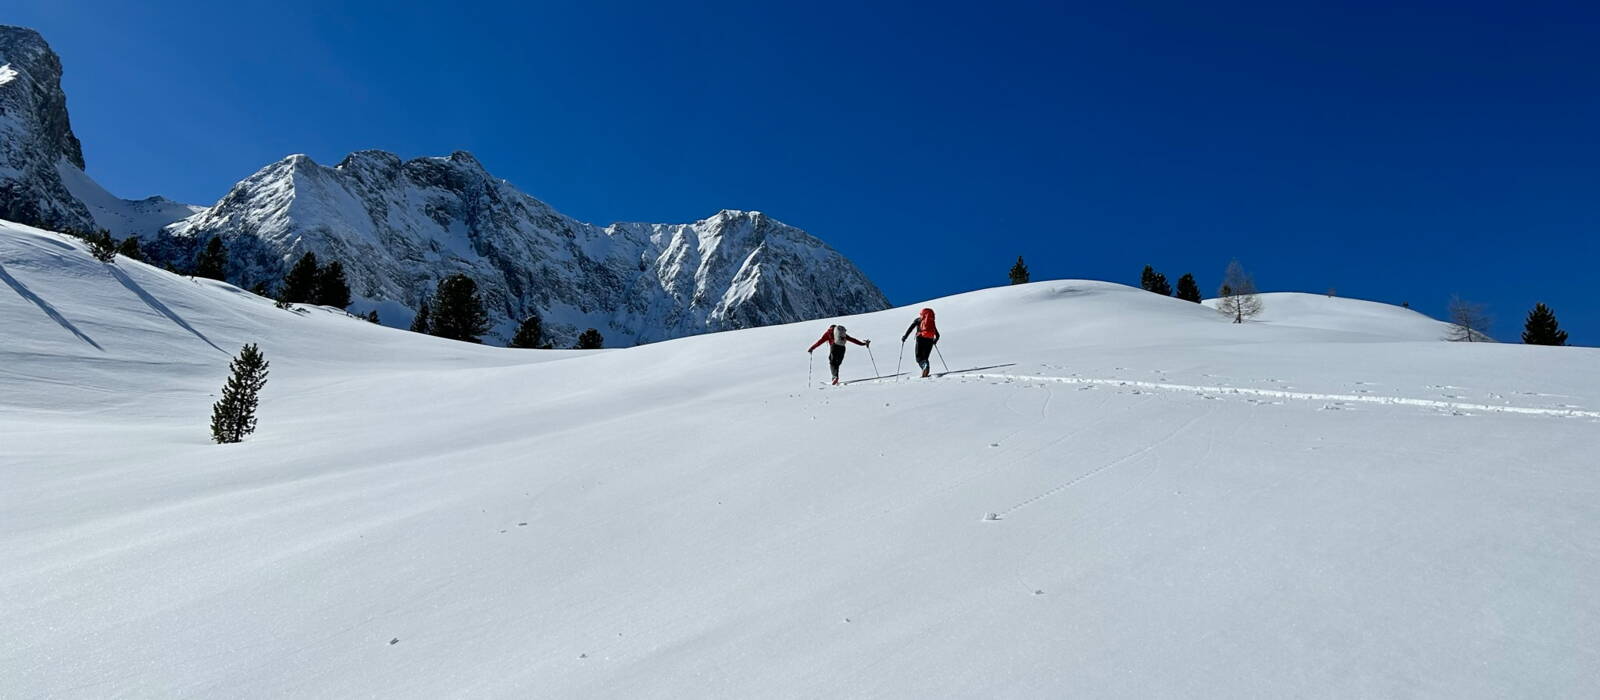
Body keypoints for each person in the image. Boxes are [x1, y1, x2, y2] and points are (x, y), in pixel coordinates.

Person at [901, 307, 940, 378]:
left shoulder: (918, 320)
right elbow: (937, 335)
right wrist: (935, 341)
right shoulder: (931, 323)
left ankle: (925, 367)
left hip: (920, 338)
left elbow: (910, 328)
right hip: (930, 340)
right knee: (925, 357)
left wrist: (905, 337)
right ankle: (925, 368)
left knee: (919, 358)